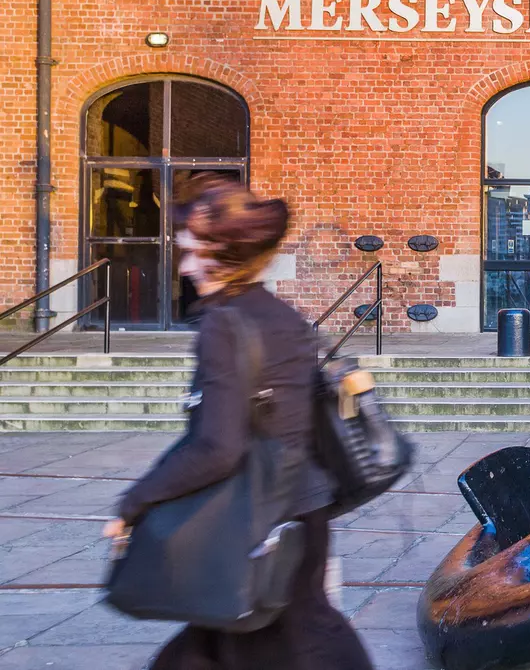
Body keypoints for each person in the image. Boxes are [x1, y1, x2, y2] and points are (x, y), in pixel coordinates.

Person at [103, 174, 374, 670]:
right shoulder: (283, 317)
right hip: (301, 513)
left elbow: (216, 448)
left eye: (191, 252)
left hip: (258, 520)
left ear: (222, 254)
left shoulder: (224, 327)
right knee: (251, 642)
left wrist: (134, 502)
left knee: (292, 642)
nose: (184, 267)